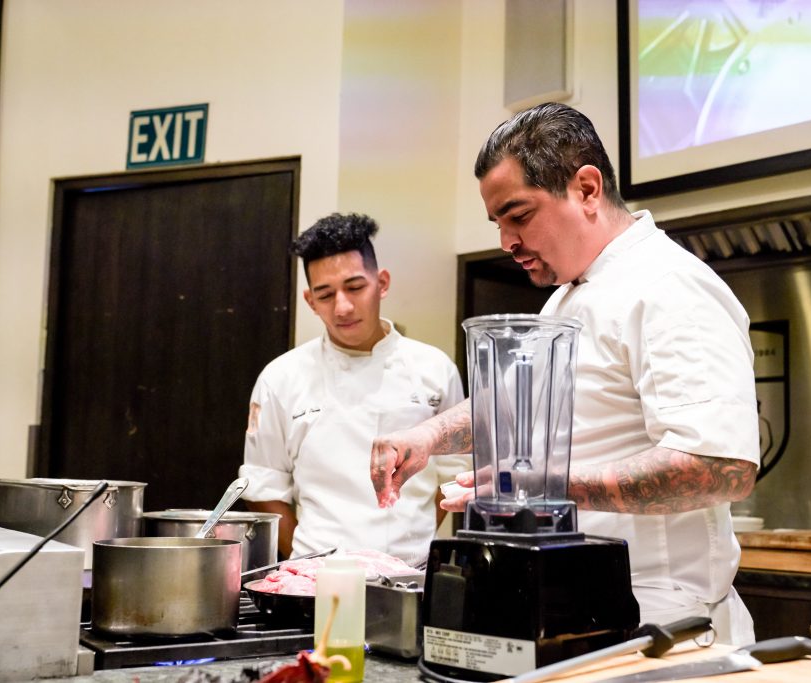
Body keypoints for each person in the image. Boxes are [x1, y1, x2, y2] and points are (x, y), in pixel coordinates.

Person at [370, 104, 761, 644]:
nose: (506, 242)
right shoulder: (566, 299)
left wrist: (544, 488)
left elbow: (718, 467)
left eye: (519, 215)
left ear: (587, 188)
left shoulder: (669, 286)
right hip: (583, 606)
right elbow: (511, 404)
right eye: (499, 223)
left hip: (663, 618)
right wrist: (427, 437)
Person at [240, 212, 467, 566]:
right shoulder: (281, 378)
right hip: (315, 580)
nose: (342, 307)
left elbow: (453, 475)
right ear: (310, 301)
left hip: (413, 575)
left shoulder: (434, 369)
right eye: (325, 295)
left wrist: (407, 552)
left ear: (383, 283)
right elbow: (262, 488)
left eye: (355, 287)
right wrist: (310, 565)